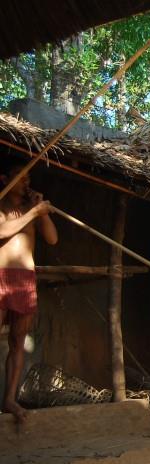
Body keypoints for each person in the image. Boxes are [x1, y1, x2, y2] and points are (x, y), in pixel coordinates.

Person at [0, 158, 58, 423]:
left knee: (18, 342)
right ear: (4, 179)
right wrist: (33, 214)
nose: (26, 182)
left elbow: (52, 239)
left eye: (28, 179)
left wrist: (40, 211)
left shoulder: (30, 208)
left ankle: (10, 399)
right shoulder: (0, 204)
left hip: (25, 279)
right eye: (20, 177)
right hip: (1, 276)